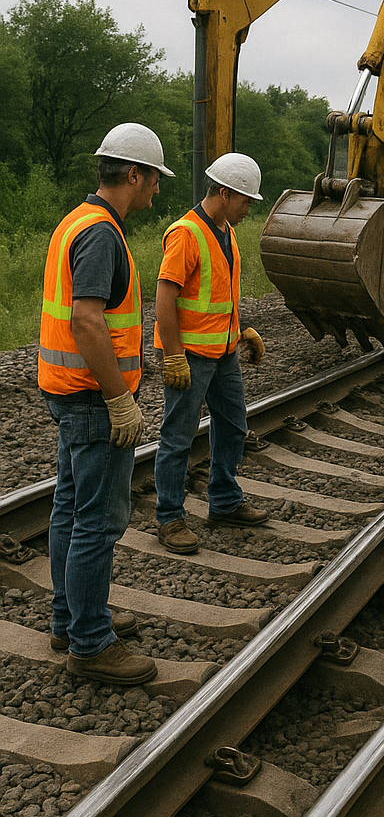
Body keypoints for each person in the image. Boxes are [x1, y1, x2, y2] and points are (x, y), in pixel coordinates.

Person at [38, 122, 174, 685]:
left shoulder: (77, 219)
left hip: (68, 391)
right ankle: (92, 644)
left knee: (70, 509)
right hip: (95, 399)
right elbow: (88, 320)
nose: (157, 192)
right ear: (134, 174)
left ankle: (69, 619)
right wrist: (121, 400)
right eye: (154, 181)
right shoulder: (100, 234)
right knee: (99, 521)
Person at [153, 153, 269, 553]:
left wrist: (242, 331)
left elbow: (221, 293)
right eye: (245, 200)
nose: (249, 208)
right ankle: (169, 517)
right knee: (178, 437)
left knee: (234, 426)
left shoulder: (227, 231)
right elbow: (165, 297)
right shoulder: (186, 233)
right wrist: (172, 355)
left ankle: (223, 500)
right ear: (224, 192)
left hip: (223, 352)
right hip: (190, 356)